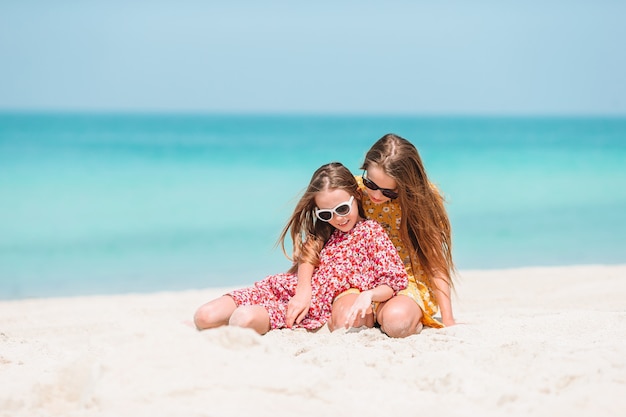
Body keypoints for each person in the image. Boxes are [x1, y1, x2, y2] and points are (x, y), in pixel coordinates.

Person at [193, 162, 408, 335]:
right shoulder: (323, 232)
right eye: (326, 213)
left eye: (342, 208)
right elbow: (307, 259)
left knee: (243, 320)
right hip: (291, 290)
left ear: (357, 196)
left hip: (316, 307)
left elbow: (393, 281)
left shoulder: (371, 231)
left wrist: (369, 295)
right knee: (204, 316)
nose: (338, 218)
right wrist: (302, 292)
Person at [286, 134, 456, 338]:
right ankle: (375, 316)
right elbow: (315, 240)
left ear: (406, 186)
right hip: (357, 278)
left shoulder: (423, 201)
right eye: (371, 184)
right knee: (344, 322)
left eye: (389, 192)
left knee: (397, 323)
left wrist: (448, 319)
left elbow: (436, 261)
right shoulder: (353, 193)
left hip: (406, 280)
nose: (376, 196)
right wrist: (303, 289)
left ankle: (400, 315)